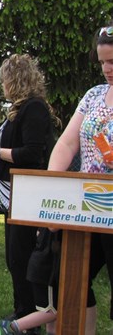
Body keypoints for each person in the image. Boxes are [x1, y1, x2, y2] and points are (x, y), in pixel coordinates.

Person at [0, 54, 60, 334]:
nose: (3, 86)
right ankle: (22, 310)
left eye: (5, 80)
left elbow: (33, 154)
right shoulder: (20, 108)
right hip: (13, 195)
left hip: (27, 194)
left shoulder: (34, 108)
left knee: (22, 256)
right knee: (14, 256)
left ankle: (29, 317)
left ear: (16, 79)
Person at [46, 24, 113, 335]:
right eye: (102, 62)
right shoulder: (94, 95)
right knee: (71, 276)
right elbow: (68, 143)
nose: (107, 69)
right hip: (86, 204)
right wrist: (51, 185)